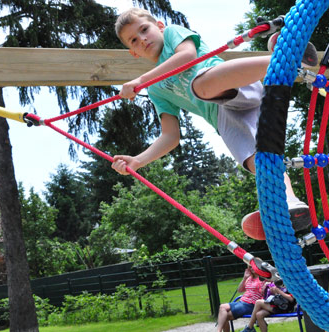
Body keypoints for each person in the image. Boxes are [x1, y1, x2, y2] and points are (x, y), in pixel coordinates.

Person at [111, 8, 316, 236]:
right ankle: (288, 203)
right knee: (256, 159)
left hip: (234, 85)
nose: (142, 39)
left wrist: (140, 79)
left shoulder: (171, 33)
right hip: (222, 117)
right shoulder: (156, 90)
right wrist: (138, 161)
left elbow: (187, 56)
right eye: (134, 40)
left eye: (144, 30)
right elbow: (170, 136)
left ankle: (286, 58)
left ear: (158, 26)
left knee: (199, 86)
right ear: (133, 52)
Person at [216, 265, 266, 332]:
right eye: (250, 267)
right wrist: (244, 278)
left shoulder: (263, 279)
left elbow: (264, 292)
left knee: (225, 316)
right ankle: (218, 331)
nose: (252, 268)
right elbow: (239, 290)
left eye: (254, 266)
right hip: (241, 302)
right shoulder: (249, 278)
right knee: (222, 307)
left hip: (251, 305)